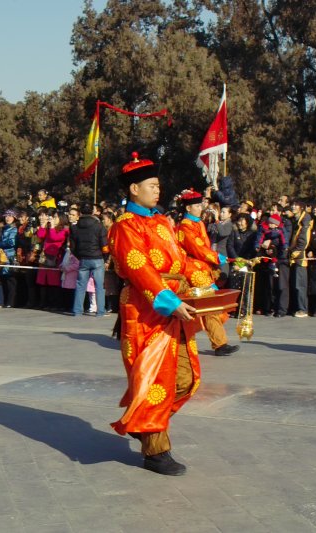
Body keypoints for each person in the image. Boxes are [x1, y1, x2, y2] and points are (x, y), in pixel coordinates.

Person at [108, 152, 206, 476]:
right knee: (155, 381)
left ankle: (145, 421)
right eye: (151, 185)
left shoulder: (162, 221)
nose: (157, 190)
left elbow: (180, 261)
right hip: (146, 309)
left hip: (175, 306)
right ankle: (155, 450)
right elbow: (140, 270)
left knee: (186, 378)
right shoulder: (126, 226)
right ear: (133, 189)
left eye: (158, 185)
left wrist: (205, 283)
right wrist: (168, 301)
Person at [176, 189, 239, 356]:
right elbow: (197, 249)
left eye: (200, 204)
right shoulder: (185, 227)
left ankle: (219, 343)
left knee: (209, 306)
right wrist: (218, 258)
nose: (200, 208)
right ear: (188, 208)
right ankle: (217, 343)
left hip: (202, 268)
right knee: (208, 304)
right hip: (191, 270)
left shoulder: (198, 223)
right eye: (197, 205)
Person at [70, 203, 108, 317]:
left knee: (81, 285)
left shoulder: (75, 227)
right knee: (99, 286)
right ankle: (100, 311)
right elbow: (105, 245)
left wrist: (79, 256)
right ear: (92, 212)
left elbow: (72, 247)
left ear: (80, 212)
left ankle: (77, 311)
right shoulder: (99, 226)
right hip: (97, 258)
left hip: (83, 259)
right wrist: (104, 257)